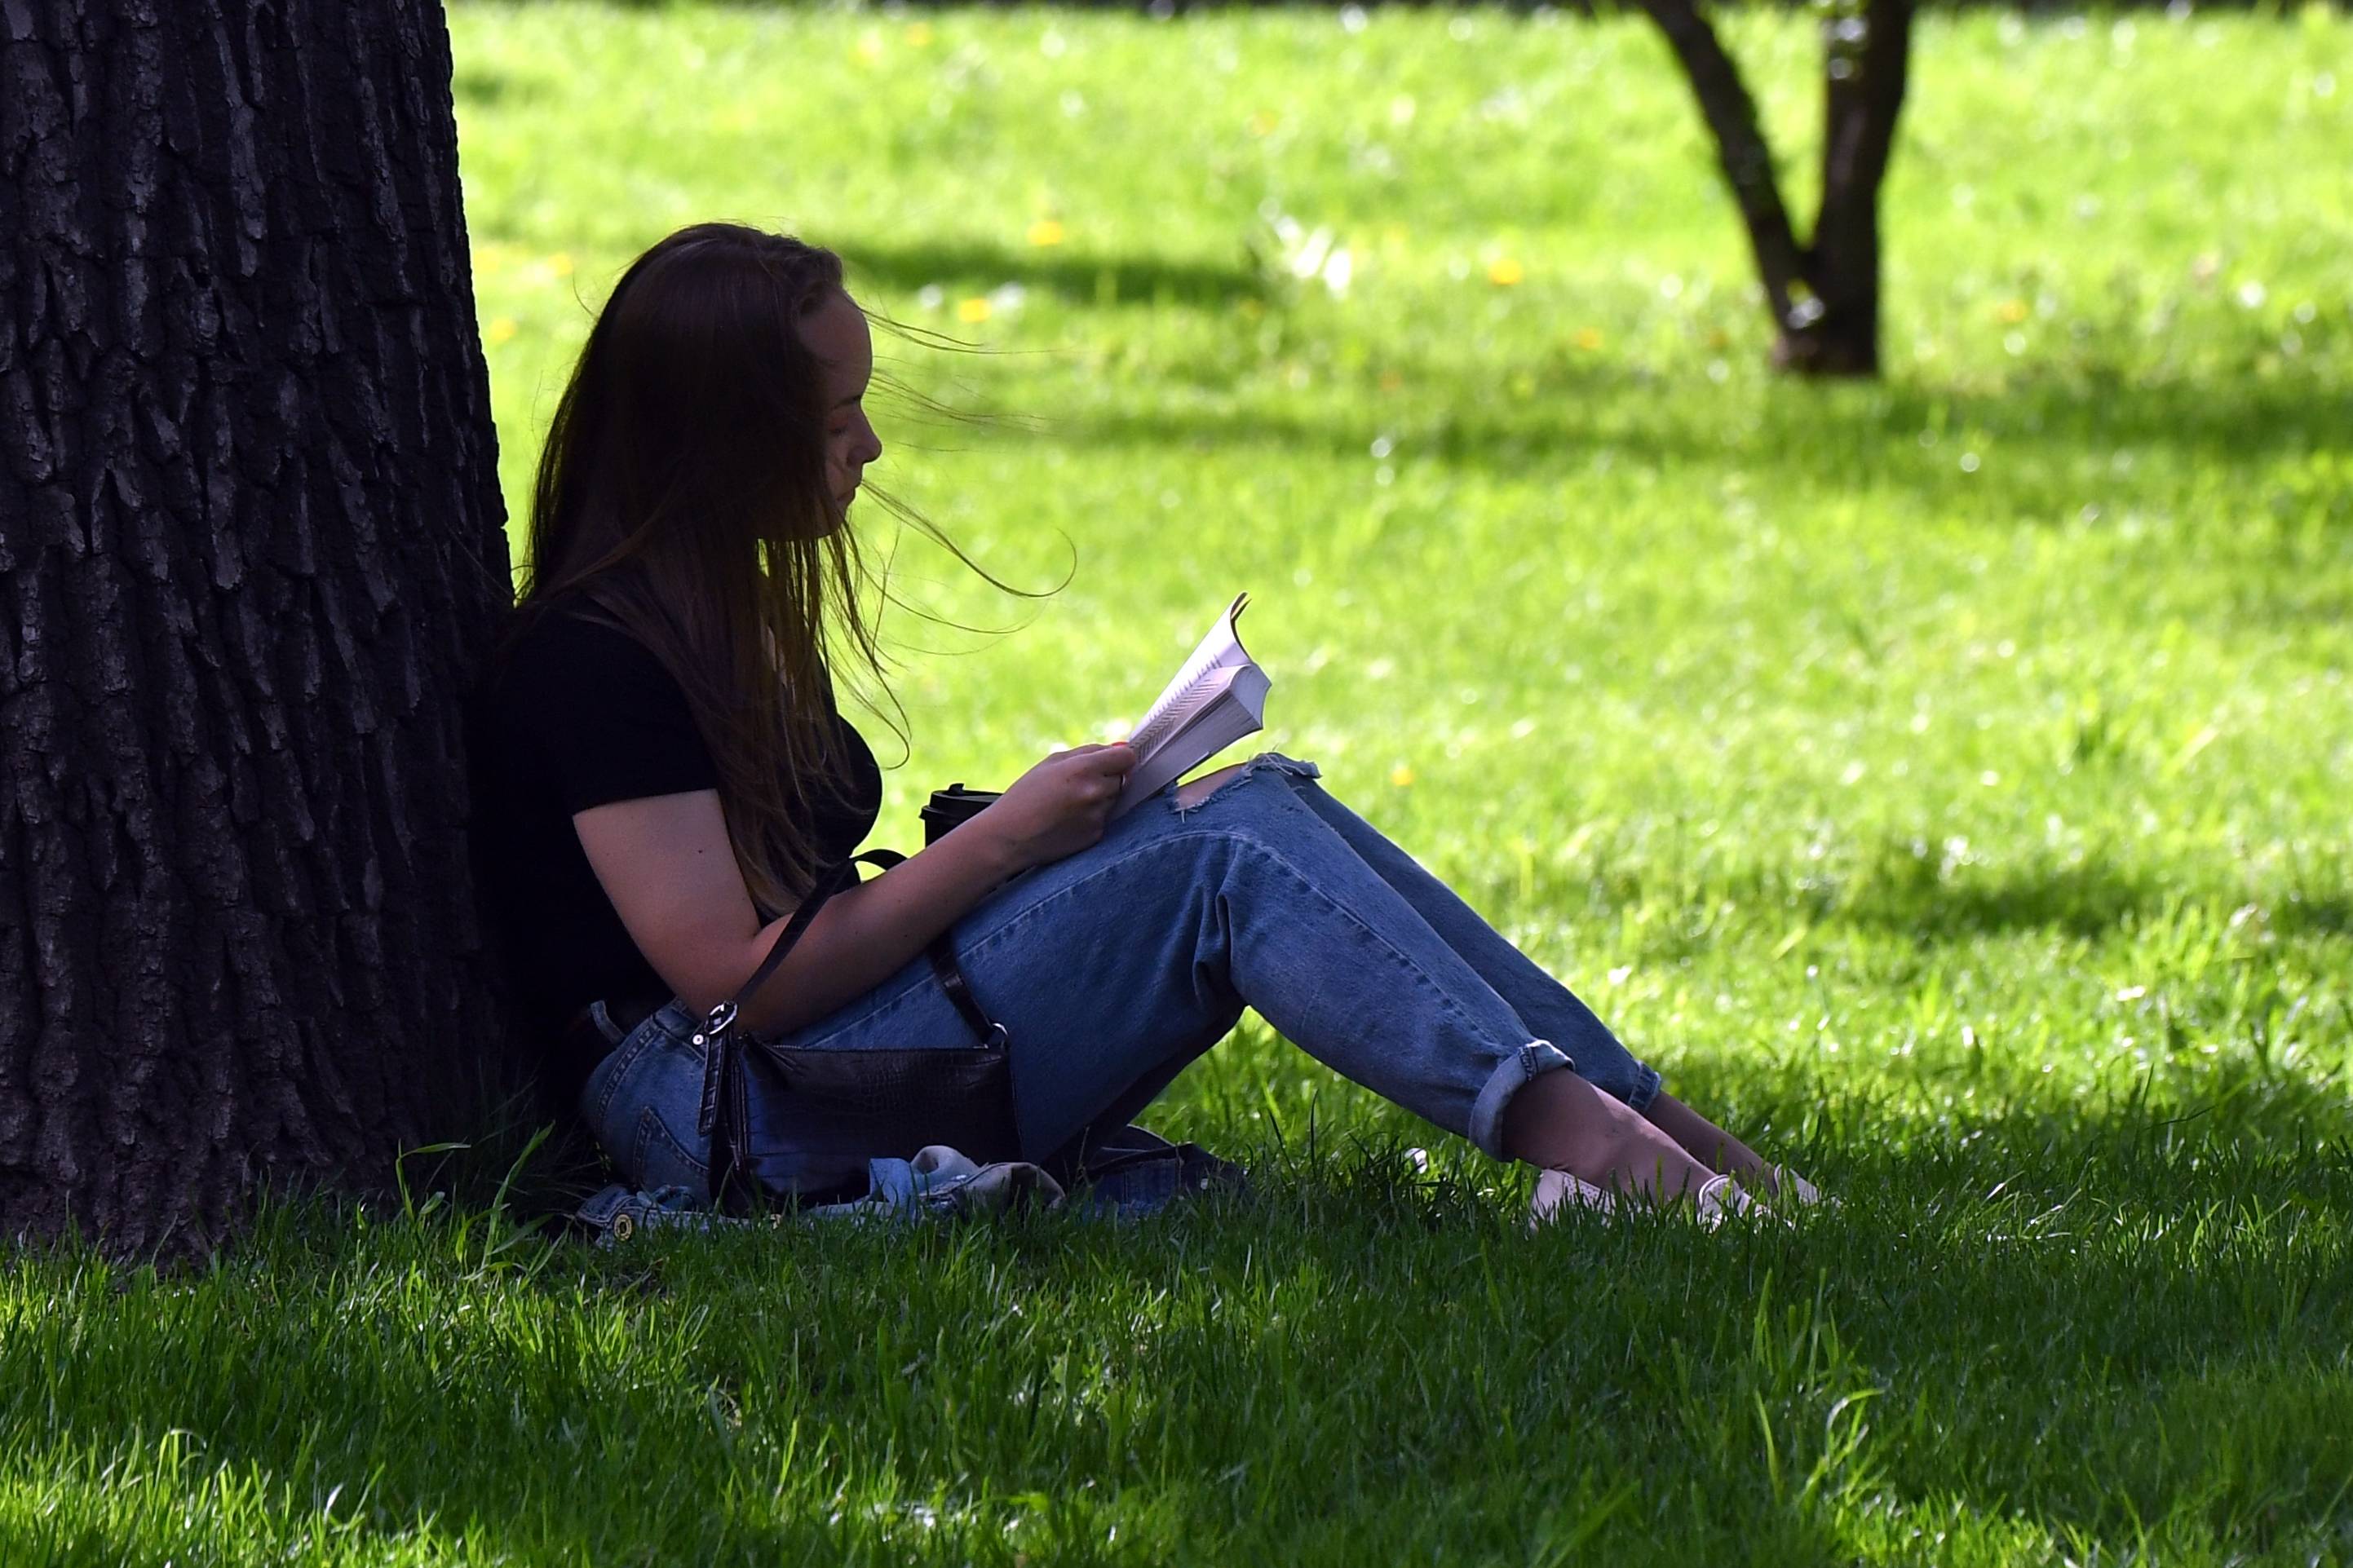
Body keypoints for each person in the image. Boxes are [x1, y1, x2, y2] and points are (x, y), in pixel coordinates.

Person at [465, 222, 1824, 1228]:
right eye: (835, 420)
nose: (867, 447)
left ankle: (1672, 1141)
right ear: (718, 441)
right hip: (711, 1112)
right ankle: (1633, 1170)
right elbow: (732, 982)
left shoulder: (718, 620)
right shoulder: (594, 660)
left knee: (1255, 800)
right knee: (1225, 853)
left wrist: (1054, 834)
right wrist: (1001, 843)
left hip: (794, 1068)